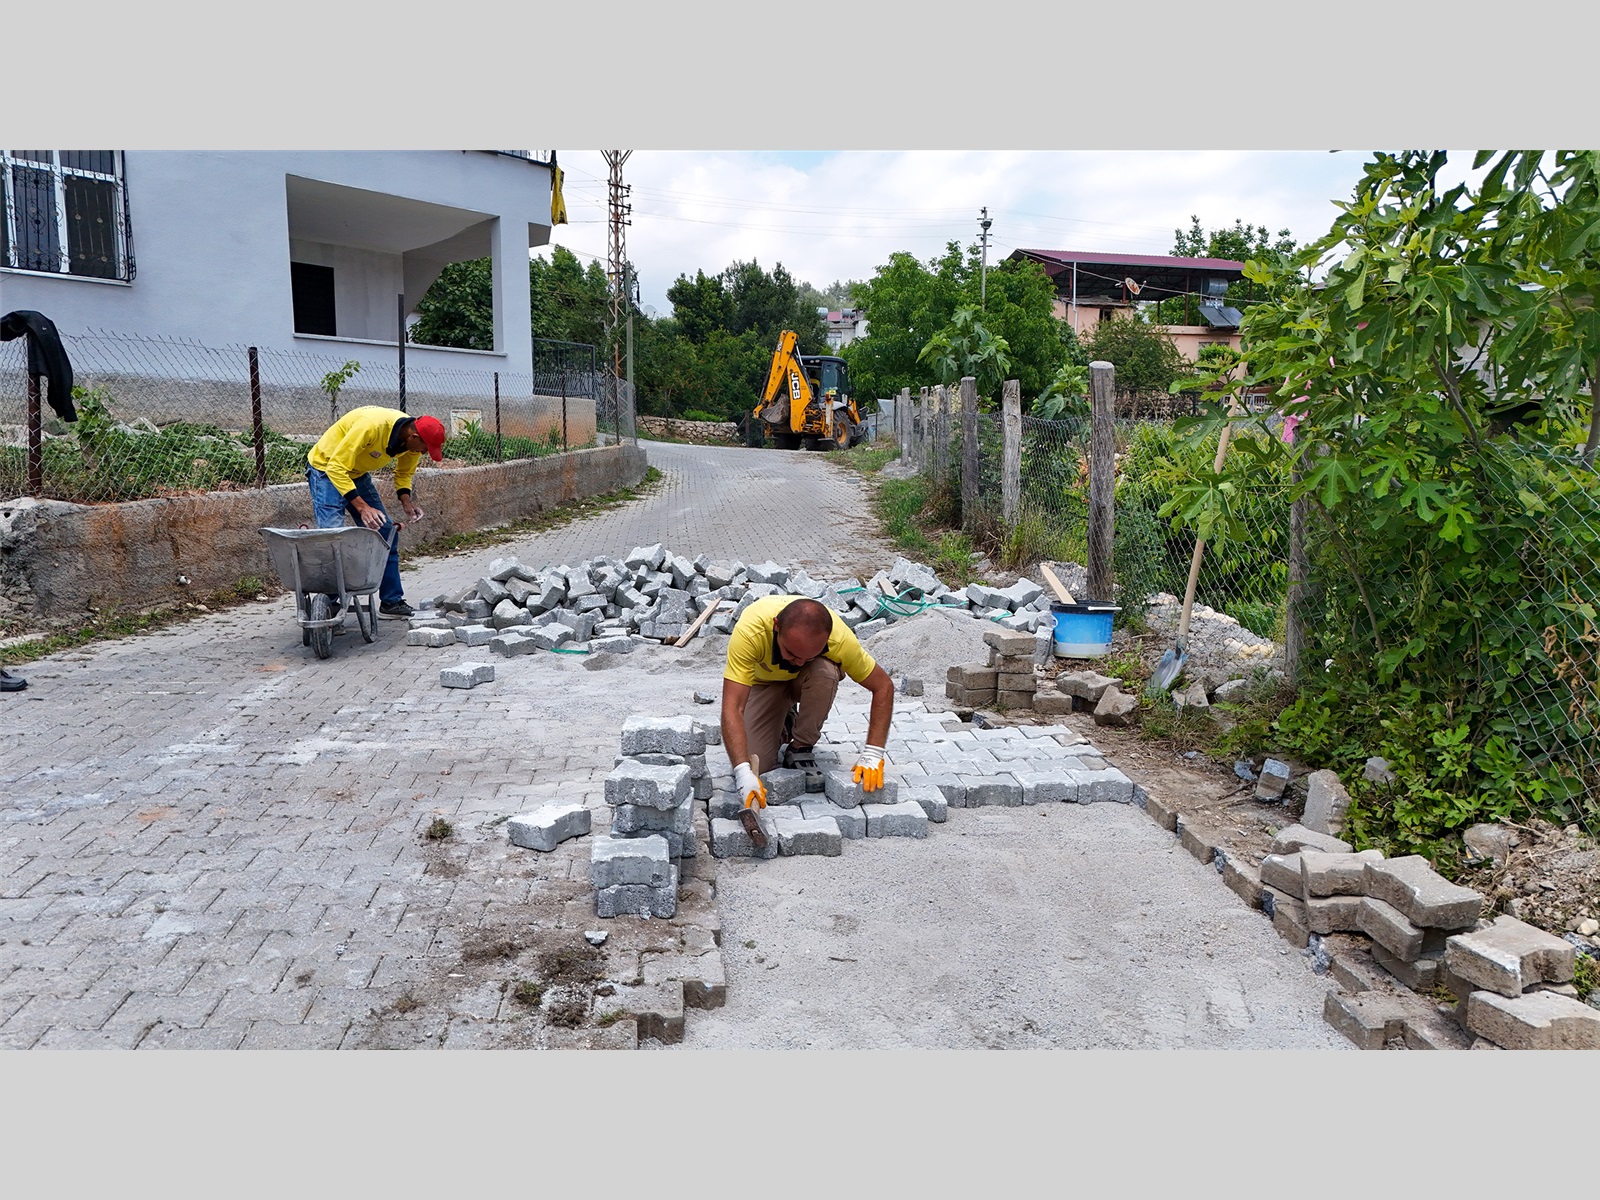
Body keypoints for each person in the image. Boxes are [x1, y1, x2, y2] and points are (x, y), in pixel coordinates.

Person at [720, 595, 895, 846]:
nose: (799, 662)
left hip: (810, 681)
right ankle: (784, 720)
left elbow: (883, 686)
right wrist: (741, 771)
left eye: (808, 656)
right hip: (763, 684)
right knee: (756, 760)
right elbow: (732, 707)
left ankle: (800, 745)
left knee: (824, 671)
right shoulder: (751, 631)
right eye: (792, 653)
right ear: (777, 626)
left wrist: (873, 753)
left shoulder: (839, 639)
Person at [305, 405, 446, 619]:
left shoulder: (411, 443)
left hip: (356, 473)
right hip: (326, 468)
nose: (424, 452)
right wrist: (362, 507)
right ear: (414, 435)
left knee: (385, 532)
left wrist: (406, 502)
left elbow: (404, 472)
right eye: (425, 447)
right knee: (332, 535)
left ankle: (391, 601)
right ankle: (330, 605)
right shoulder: (371, 426)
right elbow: (336, 467)